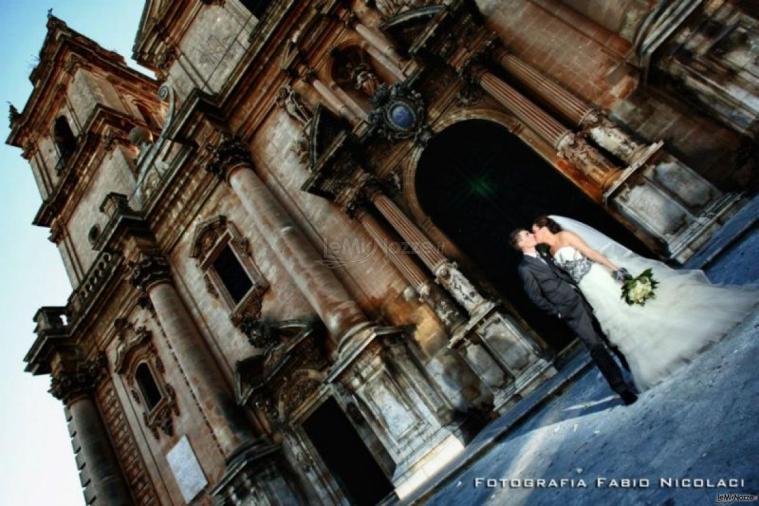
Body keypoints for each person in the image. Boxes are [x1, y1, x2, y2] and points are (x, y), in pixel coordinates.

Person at [531, 215, 759, 391]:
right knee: (619, 321)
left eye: (535, 231)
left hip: (599, 278)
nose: (534, 235)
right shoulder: (549, 252)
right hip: (589, 289)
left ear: (544, 227)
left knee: (631, 309)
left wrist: (615, 269)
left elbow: (591, 252)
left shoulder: (567, 237)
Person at [510, 228, 638, 405]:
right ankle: (622, 389)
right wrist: (557, 311)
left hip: (585, 298)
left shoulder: (544, 252)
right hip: (569, 311)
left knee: (611, 336)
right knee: (596, 347)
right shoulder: (524, 268)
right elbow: (535, 296)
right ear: (520, 244)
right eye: (526, 235)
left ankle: (634, 373)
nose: (531, 235)